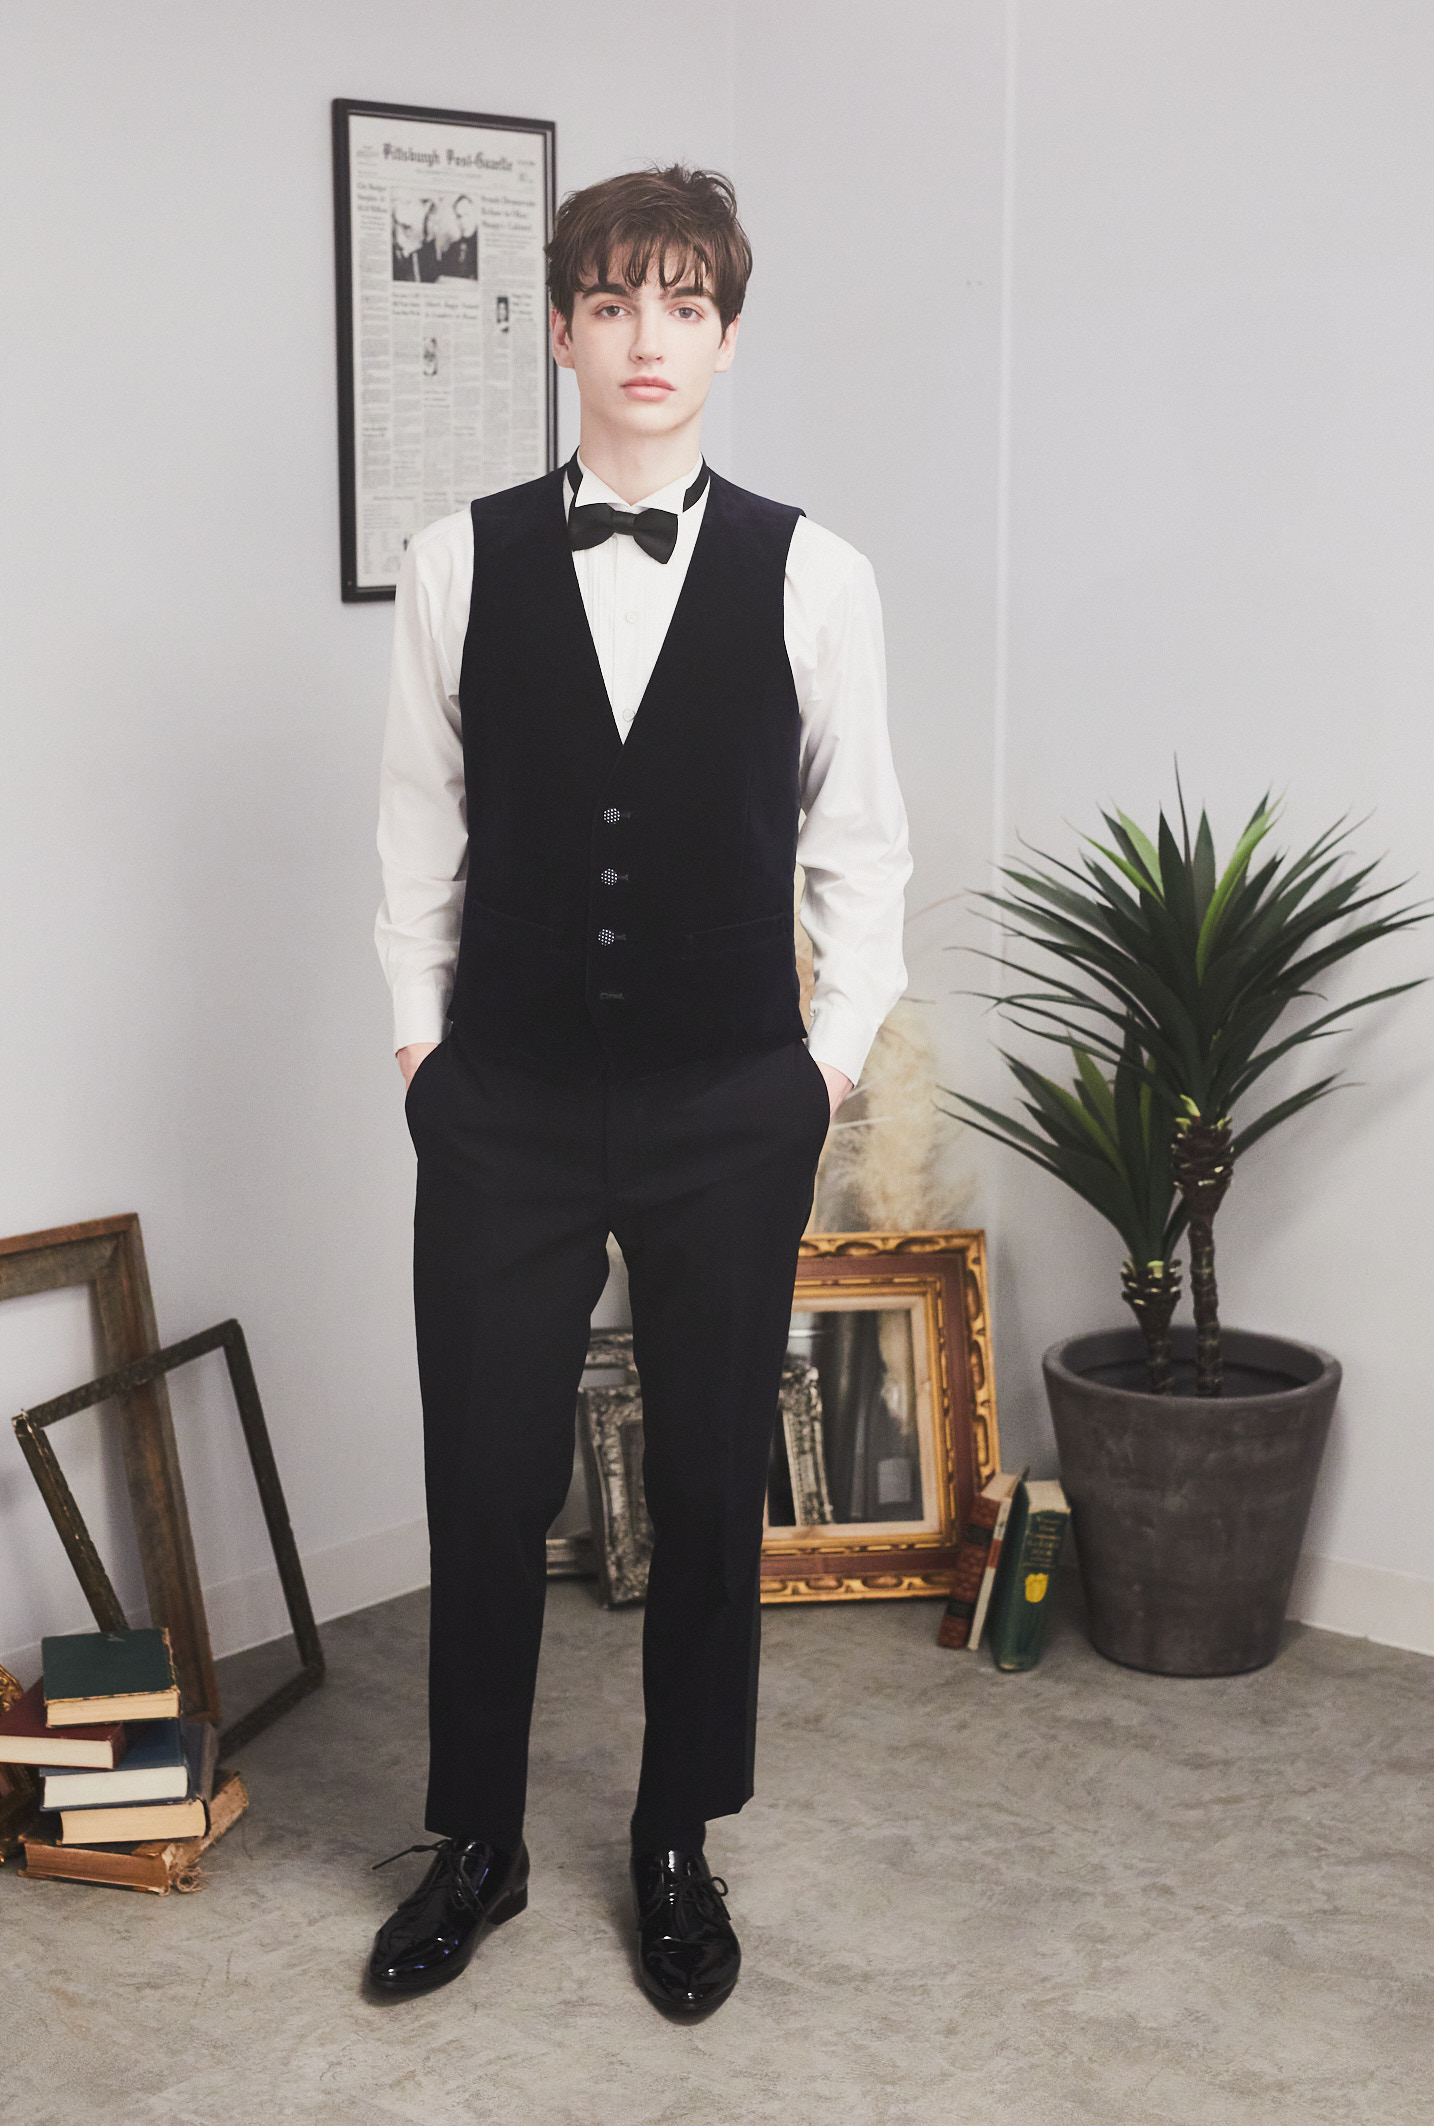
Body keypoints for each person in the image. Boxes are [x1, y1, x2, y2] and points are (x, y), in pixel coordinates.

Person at [369, 164, 910, 2015]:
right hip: (502, 1102)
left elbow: (862, 850)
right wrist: (423, 1051)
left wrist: (819, 1069)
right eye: (611, 303)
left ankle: (677, 1838)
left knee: (702, 1474)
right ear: (560, 329)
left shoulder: (816, 573)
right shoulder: (456, 561)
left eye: (683, 304)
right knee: (482, 1474)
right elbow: (416, 831)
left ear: (727, 335)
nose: (646, 338)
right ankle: (477, 1839)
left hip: (725, 1106)